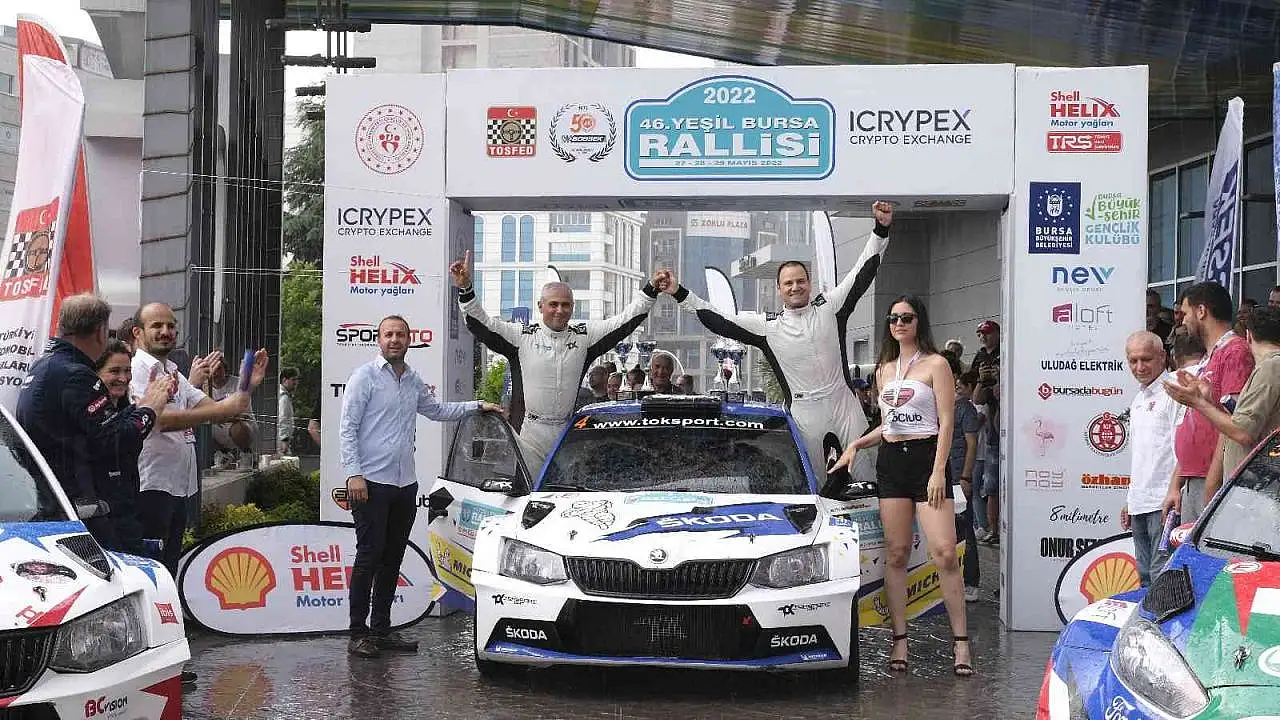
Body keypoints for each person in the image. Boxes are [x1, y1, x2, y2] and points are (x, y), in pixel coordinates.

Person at [662, 201, 895, 486]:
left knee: (869, 476)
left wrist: (880, 229)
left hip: (843, 403)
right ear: (779, 289)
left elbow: (863, 271)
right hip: (805, 412)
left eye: (800, 281)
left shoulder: (830, 307)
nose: (795, 287)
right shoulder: (767, 327)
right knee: (813, 483)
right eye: (788, 283)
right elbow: (718, 319)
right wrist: (679, 293)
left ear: (809, 283)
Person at [340, 315, 501, 658]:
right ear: (379, 340)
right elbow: (347, 428)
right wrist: (353, 474)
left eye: (400, 334)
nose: (394, 339)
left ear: (409, 340)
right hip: (370, 482)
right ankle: (357, 633)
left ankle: (381, 630)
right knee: (369, 557)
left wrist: (476, 406)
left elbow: (438, 410)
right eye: (388, 334)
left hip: (404, 484)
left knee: (392, 558)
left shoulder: (413, 380)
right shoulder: (364, 377)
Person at [830, 295, 970, 676]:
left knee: (944, 552)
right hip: (892, 462)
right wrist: (857, 444)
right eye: (893, 318)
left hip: (927, 460)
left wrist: (939, 470)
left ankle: (961, 643)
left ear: (919, 321)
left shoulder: (937, 364)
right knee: (896, 553)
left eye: (906, 318)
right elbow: (888, 424)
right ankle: (900, 639)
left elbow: (946, 421)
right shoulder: (884, 370)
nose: (899, 324)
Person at [451, 251, 662, 472]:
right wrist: (465, 289)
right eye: (553, 304)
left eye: (565, 305)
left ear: (573, 306)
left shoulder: (584, 336)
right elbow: (482, 324)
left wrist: (651, 290)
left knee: (566, 489)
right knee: (531, 490)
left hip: (566, 432)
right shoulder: (521, 335)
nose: (559, 311)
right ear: (540, 306)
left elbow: (624, 321)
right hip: (529, 434)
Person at [16, 295, 173, 540]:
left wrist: (138, 407)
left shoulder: (43, 366)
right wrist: (151, 409)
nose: (123, 378)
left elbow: (99, 428)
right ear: (101, 332)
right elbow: (115, 441)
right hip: (77, 511)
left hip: (50, 501)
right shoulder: (75, 374)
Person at [131, 303, 269, 576]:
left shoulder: (172, 371)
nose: (165, 331)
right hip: (150, 485)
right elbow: (161, 420)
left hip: (177, 486)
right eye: (156, 326)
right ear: (138, 332)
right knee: (152, 573)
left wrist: (246, 384)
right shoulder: (137, 369)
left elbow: (216, 410)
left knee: (169, 571)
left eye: (171, 326)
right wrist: (222, 409)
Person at [1161, 282, 1254, 523]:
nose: (1182, 321)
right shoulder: (1211, 356)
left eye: (1185, 313)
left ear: (1201, 311)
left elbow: (1234, 427)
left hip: (1212, 481)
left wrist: (1213, 483)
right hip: (1195, 479)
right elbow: (1202, 419)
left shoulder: (1235, 351)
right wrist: (1176, 483)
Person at [1164, 306, 1280, 486]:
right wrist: (1208, 398)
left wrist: (1197, 403)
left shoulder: (1271, 367)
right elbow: (1240, 423)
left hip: (1257, 486)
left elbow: (1243, 432)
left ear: (1248, 336)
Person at [1120, 332, 1179, 587]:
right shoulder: (1139, 398)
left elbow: (1181, 449)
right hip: (1140, 503)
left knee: (1161, 578)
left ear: (1162, 357)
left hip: (1163, 503)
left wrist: (1175, 491)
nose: (1139, 367)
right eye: (1133, 361)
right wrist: (1130, 499)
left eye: (1146, 359)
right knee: (1145, 578)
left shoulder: (1174, 392)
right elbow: (1143, 455)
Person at [950, 367, 982, 602]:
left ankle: (971, 582)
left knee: (965, 530)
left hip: (959, 476)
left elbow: (972, 444)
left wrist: (966, 476)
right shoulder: (938, 406)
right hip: (940, 477)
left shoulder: (966, 409)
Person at [971, 319, 1001, 544]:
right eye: (980, 333)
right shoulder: (979, 357)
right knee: (990, 484)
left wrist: (1001, 377)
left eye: (987, 333)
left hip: (1013, 421)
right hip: (993, 429)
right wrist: (982, 379)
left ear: (997, 333)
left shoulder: (1008, 350)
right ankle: (993, 529)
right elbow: (976, 398)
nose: (983, 336)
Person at [207, 355, 259, 469]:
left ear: (225, 370)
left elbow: (240, 413)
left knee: (237, 428)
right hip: (219, 427)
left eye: (219, 368)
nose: (215, 372)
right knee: (201, 428)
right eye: (212, 368)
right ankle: (224, 455)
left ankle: (247, 454)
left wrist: (219, 417)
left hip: (242, 426)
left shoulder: (239, 383)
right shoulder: (205, 387)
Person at [279, 367, 298, 455]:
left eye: (296, 380)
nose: (295, 382)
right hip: (282, 443)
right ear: (284, 380)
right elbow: (283, 419)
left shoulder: (284, 396)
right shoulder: (284, 397)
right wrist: (284, 440)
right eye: (293, 379)